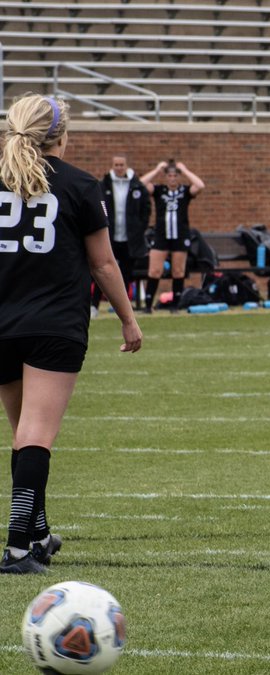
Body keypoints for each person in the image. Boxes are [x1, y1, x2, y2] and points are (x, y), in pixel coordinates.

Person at [0, 94, 143, 574]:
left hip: (3, 321)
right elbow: (103, 263)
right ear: (60, 136)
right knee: (36, 434)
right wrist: (128, 317)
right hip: (53, 322)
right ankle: (18, 548)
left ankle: (37, 533)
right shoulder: (80, 184)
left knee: (23, 433)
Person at [140, 159, 204, 312]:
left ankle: (176, 305)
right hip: (161, 236)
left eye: (175, 176)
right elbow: (140, 183)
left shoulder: (184, 191)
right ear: (166, 177)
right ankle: (148, 306)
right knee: (155, 270)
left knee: (178, 271)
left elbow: (200, 186)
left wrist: (185, 169)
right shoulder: (159, 190)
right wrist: (157, 169)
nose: (172, 178)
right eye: (170, 176)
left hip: (180, 236)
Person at [92, 154, 151, 314]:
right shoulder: (104, 185)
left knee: (125, 273)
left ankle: (119, 306)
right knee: (102, 270)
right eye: (116, 165)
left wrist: (139, 228)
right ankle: (94, 305)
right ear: (112, 166)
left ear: (126, 166)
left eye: (121, 165)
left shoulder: (136, 185)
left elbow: (146, 209)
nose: (119, 168)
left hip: (129, 238)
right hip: (109, 236)